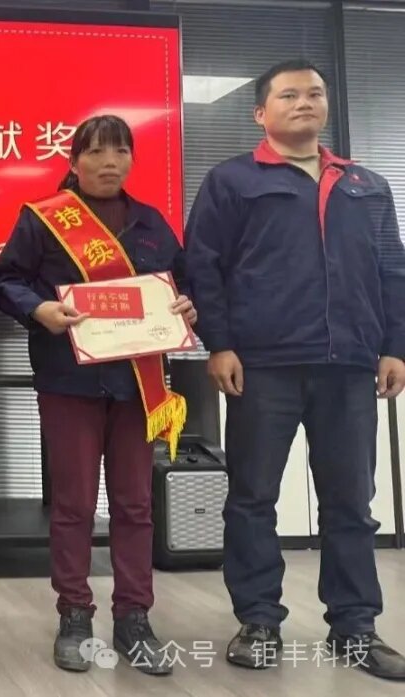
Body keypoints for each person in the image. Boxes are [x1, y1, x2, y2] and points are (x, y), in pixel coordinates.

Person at [185, 59, 405, 681]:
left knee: (351, 503)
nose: (304, 102)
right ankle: (258, 621)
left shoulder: (367, 184)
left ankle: (355, 627)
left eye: (314, 93)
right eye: (288, 95)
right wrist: (219, 344)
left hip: (349, 366)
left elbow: (392, 269)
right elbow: (203, 266)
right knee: (252, 497)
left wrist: (395, 345)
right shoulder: (232, 180)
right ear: (262, 112)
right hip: (263, 365)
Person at [0, 115, 196, 676]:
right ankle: (75, 614)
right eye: (98, 151)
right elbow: (5, 281)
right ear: (74, 160)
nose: (110, 162)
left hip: (137, 385)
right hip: (69, 381)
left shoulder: (151, 223)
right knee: (74, 504)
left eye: (121, 151)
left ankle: (134, 617)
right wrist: (38, 309)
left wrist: (187, 305)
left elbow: (185, 284)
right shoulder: (42, 219)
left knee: (135, 504)